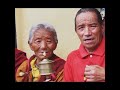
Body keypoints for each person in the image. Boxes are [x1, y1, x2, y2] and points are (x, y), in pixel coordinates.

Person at [64, 8, 105, 82]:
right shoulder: (72, 58)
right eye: (81, 28)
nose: (87, 33)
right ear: (76, 31)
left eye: (92, 26)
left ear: (102, 27)